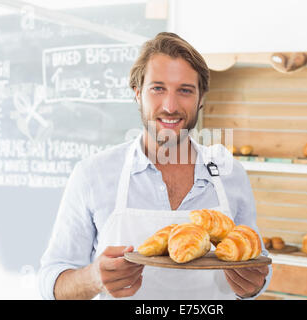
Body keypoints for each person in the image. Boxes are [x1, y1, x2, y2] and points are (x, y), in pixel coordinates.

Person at [38, 32, 271, 300]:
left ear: (201, 98)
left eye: (185, 90)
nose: (170, 106)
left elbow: (257, 261)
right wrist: (93, 278)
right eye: (157, 88)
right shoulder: (93, 175)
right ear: (138, 94)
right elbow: (51, 284)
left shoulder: (231, 174)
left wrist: (254, 285)